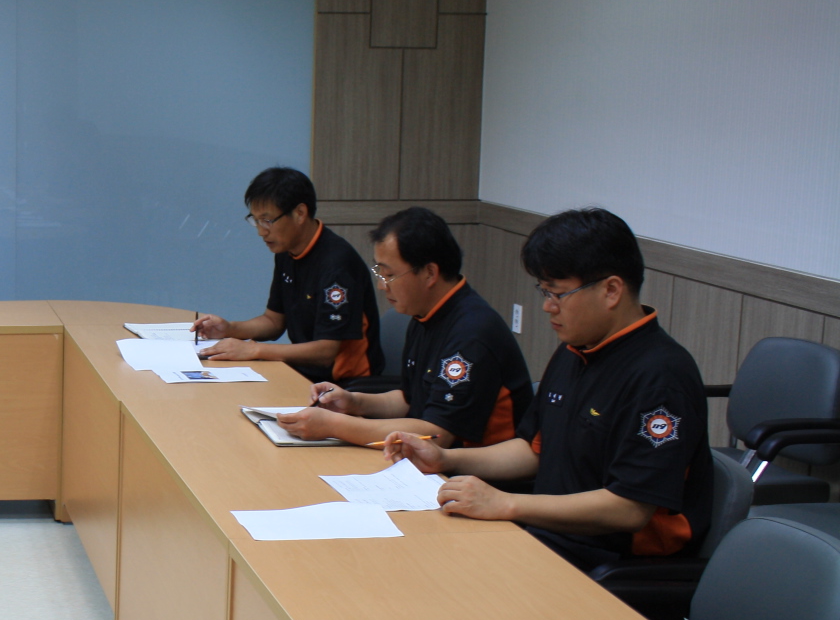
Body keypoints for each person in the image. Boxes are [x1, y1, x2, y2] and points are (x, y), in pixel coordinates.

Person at [384, 207, 711, 573]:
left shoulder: (661, 376)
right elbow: (533, 449)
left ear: (611, 290)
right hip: (547, 535)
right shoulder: (576, 350)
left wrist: (507, 504)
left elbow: (629, 508)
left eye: (558, 293)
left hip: (610, 561)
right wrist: (445, 459)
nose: (546, 306)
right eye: (544, 291)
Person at [276, 206, 532, 448]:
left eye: (389, 275)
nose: (381, 286)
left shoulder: (472, 333)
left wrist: (335, 426)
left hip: (472, 472)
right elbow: (409, 399)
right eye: (379, 274)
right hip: (429, 460)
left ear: (430, 273)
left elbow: (436, 434)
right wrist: (353, 402)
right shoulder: (426, 313)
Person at [195, 167, 383, 385]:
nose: (261, 231)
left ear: (300, 213)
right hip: (303, 373)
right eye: (256, 220)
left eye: (267, 220)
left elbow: (326, 351)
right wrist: (231, 329)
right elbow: (273, 321)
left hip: (346, 385)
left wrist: (254, 349)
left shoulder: (337, 264)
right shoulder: (287, 252)